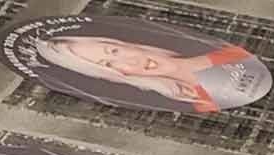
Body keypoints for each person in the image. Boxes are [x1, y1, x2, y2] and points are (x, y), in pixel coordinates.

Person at [32, 34, 261, 113]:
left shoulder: (229, 51)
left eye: (114, 51)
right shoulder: (200, 102)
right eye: (108, 64)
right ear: (117, 76)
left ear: (123, 43)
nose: (130, 60)